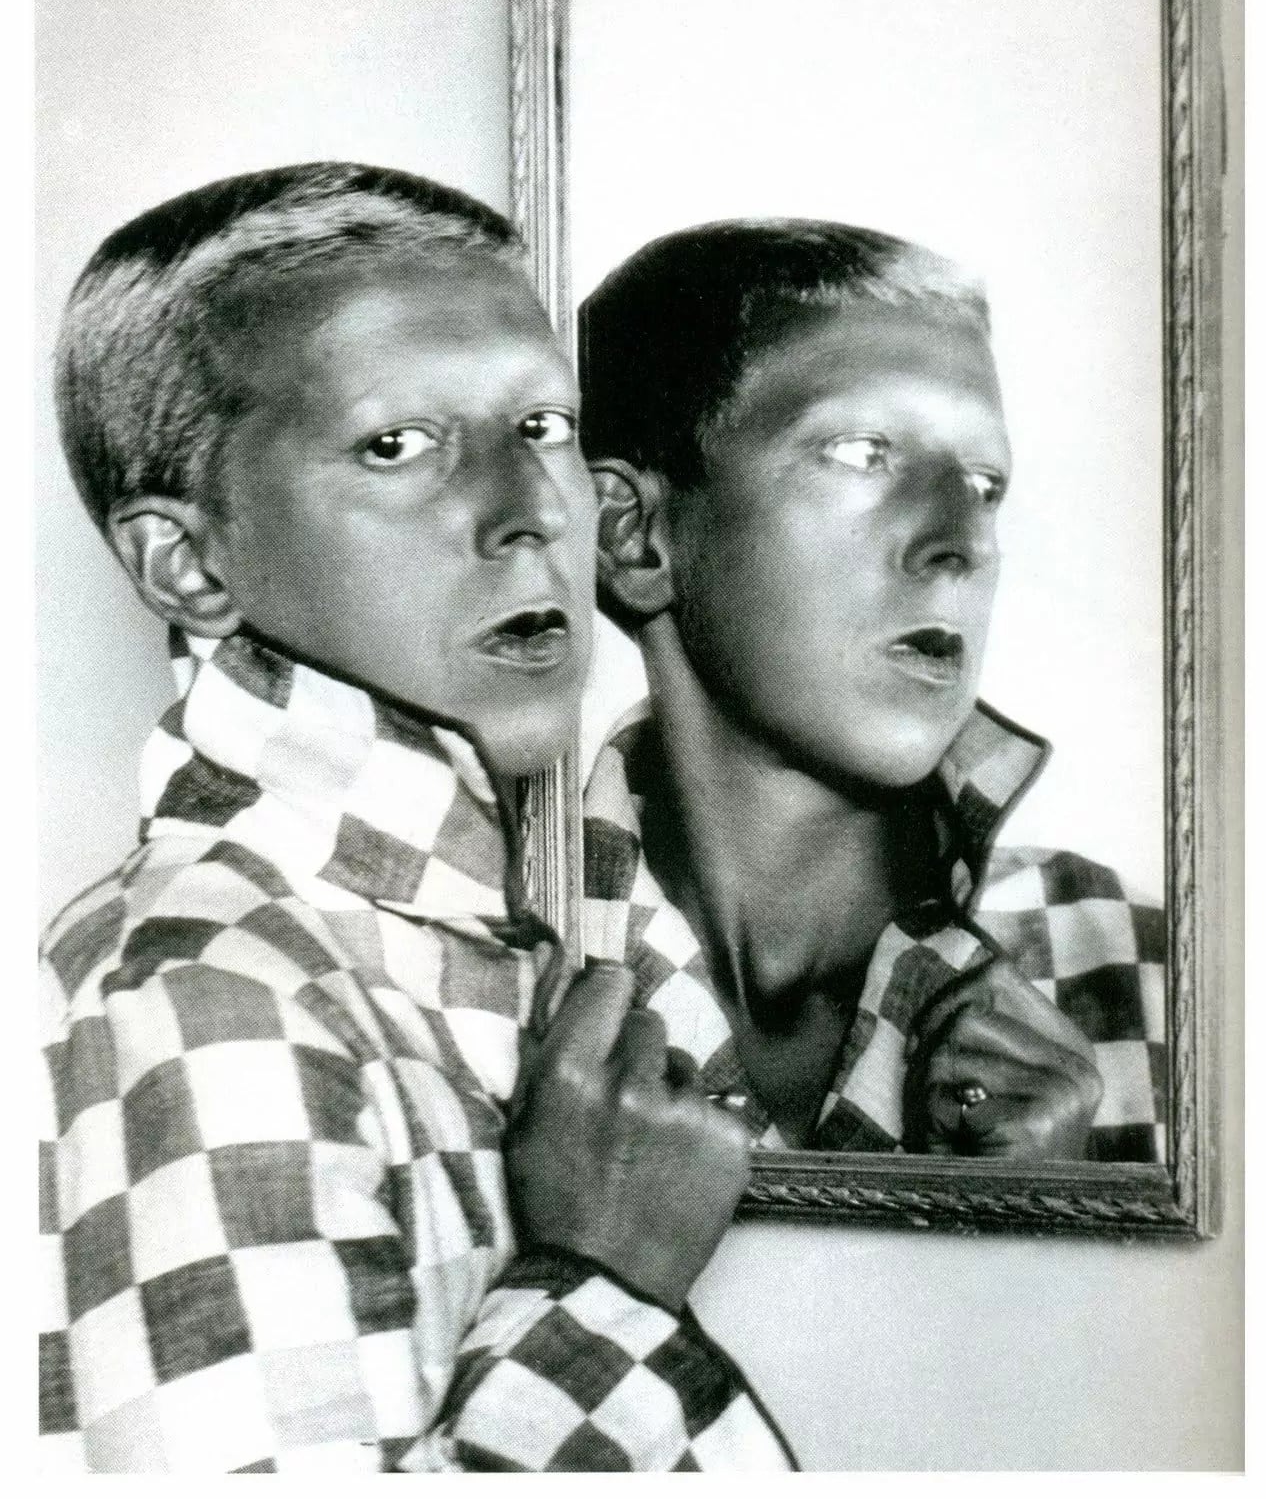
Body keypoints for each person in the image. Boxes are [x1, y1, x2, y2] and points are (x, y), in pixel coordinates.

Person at [39, 165, 795, 1472]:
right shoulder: (208, 987)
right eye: (396, 444)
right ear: (188, 563)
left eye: (544, 425)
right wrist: (605, 1273)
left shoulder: (501, 940)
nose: (531, 512)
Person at [579, 219, 1166, 1163]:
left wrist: (1053, 1220)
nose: (961, 542)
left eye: (984, 483)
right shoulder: (476, 974)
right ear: (634, 537)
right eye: (862, 452)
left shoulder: (1153, 975)